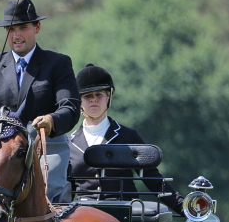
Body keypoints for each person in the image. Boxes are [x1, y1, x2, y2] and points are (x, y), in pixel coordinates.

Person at [0, 0, 80, 202]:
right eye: (10, 29)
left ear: (37, 27)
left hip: (42, 149)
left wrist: (51, 120)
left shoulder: (58, 64)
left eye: (22, 28)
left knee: (44, 200)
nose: (16, 35)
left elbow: (70, 108)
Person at [68, 64, 184, 212]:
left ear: (109, 97)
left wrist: (185, 207)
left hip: (124, 211)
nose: (93, 100)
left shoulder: (128, 136)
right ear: (79, 101)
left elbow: (152, 179)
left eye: (99, 94)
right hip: (84, 214)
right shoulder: (69, 143)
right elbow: (66, 189)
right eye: (87, 96)